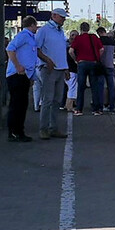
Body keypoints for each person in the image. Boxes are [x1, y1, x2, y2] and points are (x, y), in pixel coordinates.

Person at [35, 8, 70, 139]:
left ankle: (53, 128)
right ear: (54, 16)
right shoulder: (44, 30)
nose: (64, 20)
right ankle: (43, 128)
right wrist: (47, 60)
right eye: (62, 17)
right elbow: (37, 49)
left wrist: (66, 68)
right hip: (48, 69)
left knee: (57, 100)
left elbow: (61, 52)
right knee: (47, 100)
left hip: (60, 69)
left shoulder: (60, 32)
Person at [6, 16, 40, 142]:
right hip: (17, 75)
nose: (36, 28)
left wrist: (31, 76)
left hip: (25, 75)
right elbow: (10, 49)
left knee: (22, 104)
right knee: (17, 104)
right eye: (35, 25)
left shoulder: (30, 38)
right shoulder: (23, 36)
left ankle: (19, 131)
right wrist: (18, 66)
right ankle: (14, 132)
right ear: (31, 25)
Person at [69, 22, 104, 115]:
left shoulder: (78, 38)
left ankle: (79, 109)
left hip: (82, 64)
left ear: (81, 29)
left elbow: (71, 51)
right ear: (88, 29)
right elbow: (102, 49)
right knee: (94, 86)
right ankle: (96, 109)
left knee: (81, 87)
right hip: (93, 63)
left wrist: (76, 60)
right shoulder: (94, 37)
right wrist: (97, 58)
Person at [97, 26, 115, 112]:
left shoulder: (98, 41)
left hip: (100, 67)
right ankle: (112, 106)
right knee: (111, 87)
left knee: (100, 87)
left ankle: (101, 107)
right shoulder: (113, 42)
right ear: (105, 31)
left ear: (100, 33)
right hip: (110, 66)